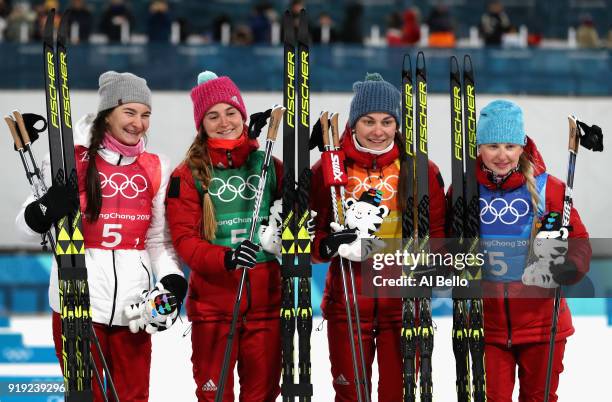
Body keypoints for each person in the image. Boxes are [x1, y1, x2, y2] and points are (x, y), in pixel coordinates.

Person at [16, 71, 187, 401]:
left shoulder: (156, 166)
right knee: (84, 396)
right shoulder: (71, 159)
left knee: (133, 396)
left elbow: (156, 240)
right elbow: (25, 228)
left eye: (146, 114)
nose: (139, 123)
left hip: (134, 310)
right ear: (108, 114)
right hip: (77, 301)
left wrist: (171, 279)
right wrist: (45, 209)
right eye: (130, 112)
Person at [309, 72, 446, 401]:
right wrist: (328, 245)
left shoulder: (421, 170)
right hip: (348, 303)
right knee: (350, 395)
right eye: (368, 121)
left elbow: (439, 234)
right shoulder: (328, 168)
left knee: (396, 395)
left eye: (387, 121)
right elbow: (311, 241)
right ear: (354, 123)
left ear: (397, 124)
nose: (378, 131)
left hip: (403, 306)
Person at [165, 71, 286, 401]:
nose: (224, 122)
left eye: (231, 112)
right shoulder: (187, 174)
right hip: (213, 308)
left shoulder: (268, 166)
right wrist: (226, 257)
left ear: (243, 116)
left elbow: (294, 215)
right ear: (201, 124)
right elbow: (185, 241)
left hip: (266, 305)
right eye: (212, 116)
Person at [471, 100, 591, 401]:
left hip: (542, 325)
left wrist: (568, 267)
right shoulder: (464, 191)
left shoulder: (550, 189)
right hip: (489, 328)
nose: (502, 155)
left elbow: (580, 243)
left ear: (522, 146)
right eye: (493, 145)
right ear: (478, 148)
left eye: (510, 146)